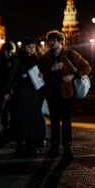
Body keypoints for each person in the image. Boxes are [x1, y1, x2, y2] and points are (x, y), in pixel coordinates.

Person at [40, 30, 91, 158]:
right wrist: (51, 70)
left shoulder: (70, 54)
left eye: (54, 40)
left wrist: (73, 76)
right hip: (52, 94)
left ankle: (67, 147)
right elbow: (41, 75)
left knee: (66, 122)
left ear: (61, 42)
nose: (51, 43)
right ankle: (54, 147)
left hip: (67, 94)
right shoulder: (46, 57)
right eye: (49, 40)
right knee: (54, 122)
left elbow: (87, 67)